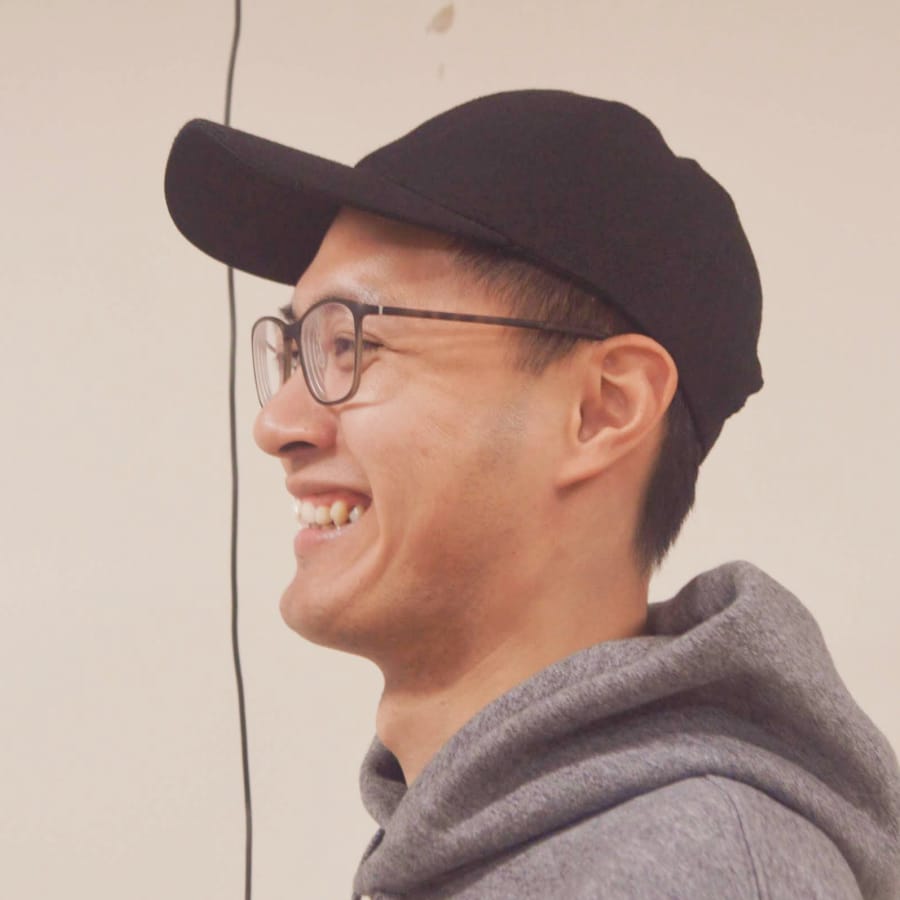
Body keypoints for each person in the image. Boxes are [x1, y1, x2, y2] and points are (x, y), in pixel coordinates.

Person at [164, 90, 900, 899]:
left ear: (602, 410)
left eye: (351, 344)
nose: (277, 423)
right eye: (295, 350)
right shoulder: (515, 845)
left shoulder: (691, 872)